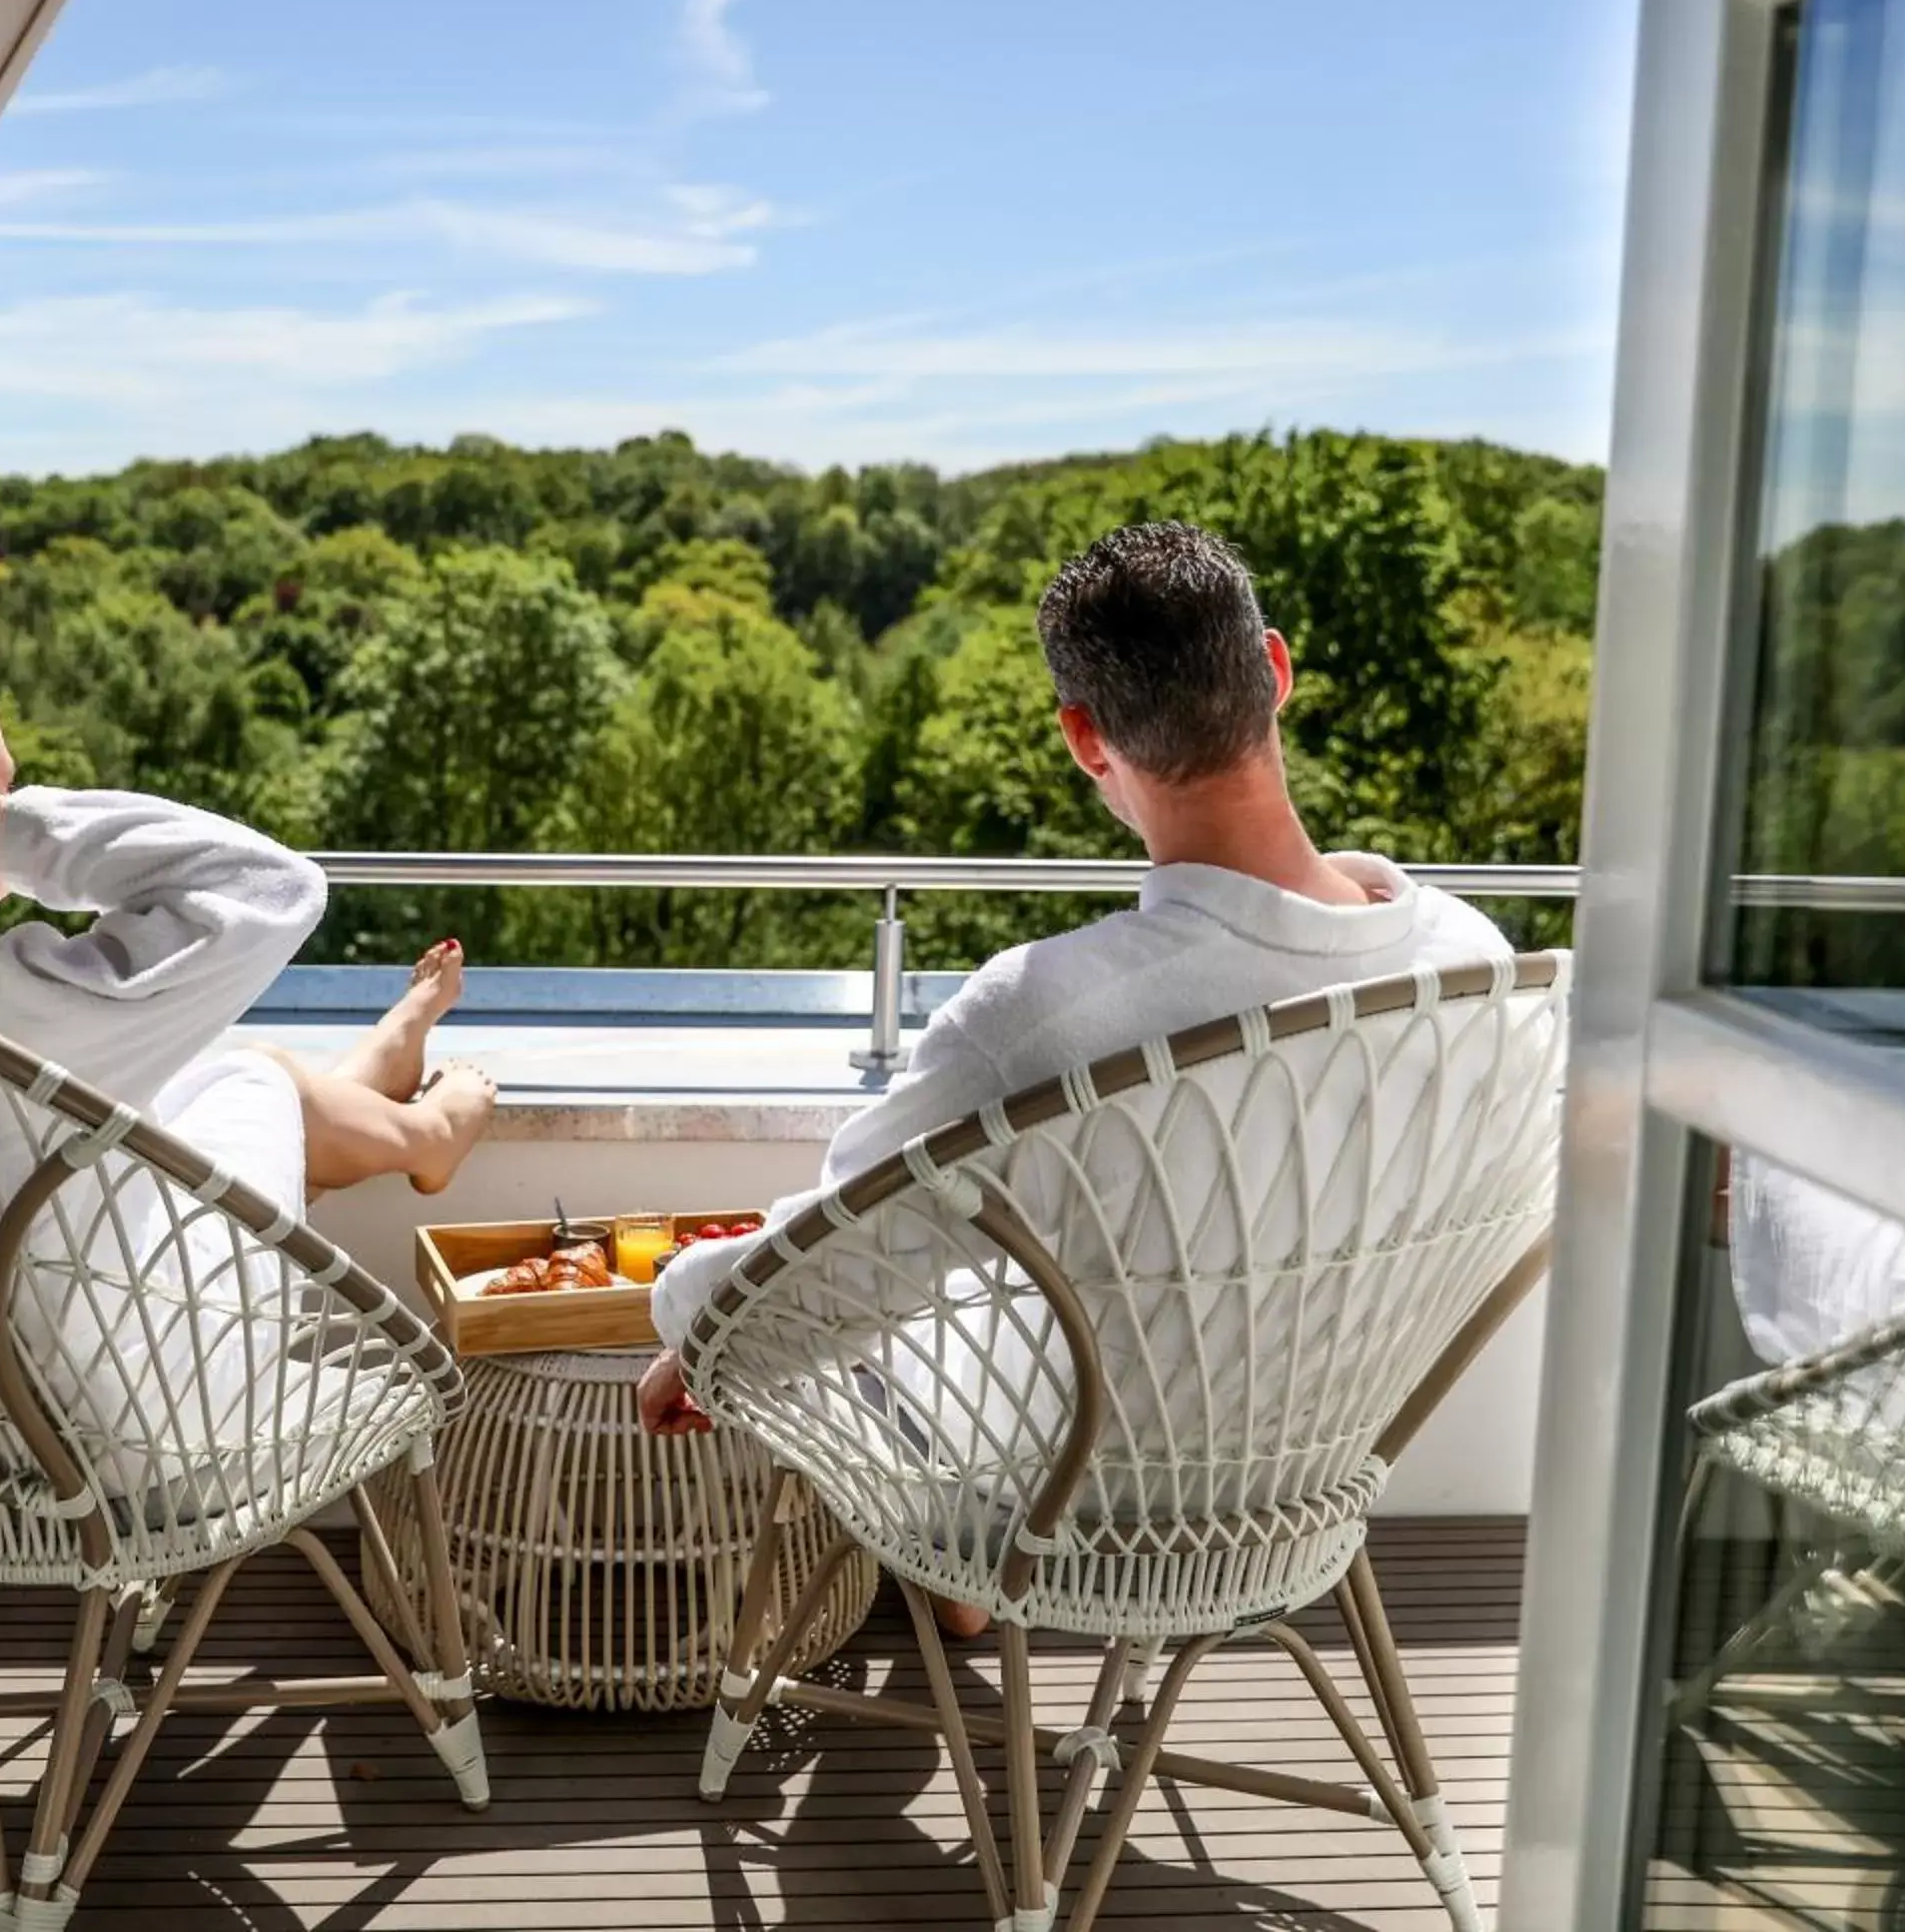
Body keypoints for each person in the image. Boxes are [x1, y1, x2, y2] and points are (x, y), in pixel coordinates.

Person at [632, 520, 1514, 1631]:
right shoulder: (1475, 964)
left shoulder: (1046, 1009)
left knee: (871, 1286)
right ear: (1275, 670)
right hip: (1314, 1480)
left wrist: (693, 1328)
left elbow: (818, 1272)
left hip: (1082, 1510)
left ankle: (957, 1559)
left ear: (1085, 737)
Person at [0, 625, 496, 1208]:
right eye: (2, 790)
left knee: (212, 1085)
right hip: (130, 1357)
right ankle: (424, 1131)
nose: (13, 801)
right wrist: (17, 835)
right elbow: (278, 887)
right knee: (256, 1080)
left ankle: (385, 1076)